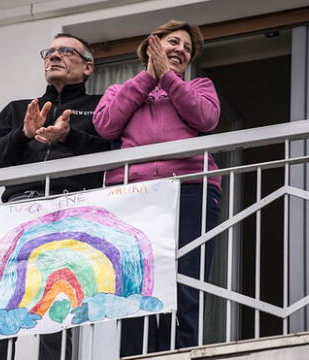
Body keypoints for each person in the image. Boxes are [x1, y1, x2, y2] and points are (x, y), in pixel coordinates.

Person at [92, 20, 222, 355]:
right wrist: (150, 76)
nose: (181, 49)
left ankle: (180, 353)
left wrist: (168, 78)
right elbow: (106, 125)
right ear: (152, 44)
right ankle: (138, 354)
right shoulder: (119, 91)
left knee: (186, 281)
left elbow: (205, 117)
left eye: (187, 49)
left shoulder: (201, 86)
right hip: (135, 195)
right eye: (173, 42)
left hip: (191, 189)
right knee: (137, 282)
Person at [0, 33, 110, 360]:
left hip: (72, 206)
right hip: (20, 207)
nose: (54, 57)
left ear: (87, 67)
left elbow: (114, 153)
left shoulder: (100, 107)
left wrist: (71, 136)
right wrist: (23, 134)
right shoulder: (19, 110)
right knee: (5, 295)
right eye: (49, 52)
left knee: (60, 294)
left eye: (66, 51)